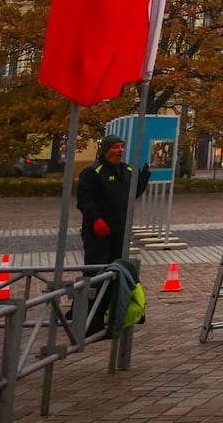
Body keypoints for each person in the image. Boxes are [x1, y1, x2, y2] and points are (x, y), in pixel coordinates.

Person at [76, 136, 149, 335]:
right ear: (106, 150)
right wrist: (96, 220)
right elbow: (84, 200)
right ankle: (89, 322)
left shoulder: (126, 171)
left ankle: (108, 317)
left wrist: (144, 179)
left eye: (122, 147)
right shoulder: (93, 172)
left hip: (119, 233)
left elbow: (130, 194)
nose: (120, 150)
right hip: (97, 234)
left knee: (114, 275)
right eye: (115, 147)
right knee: (95, 275)